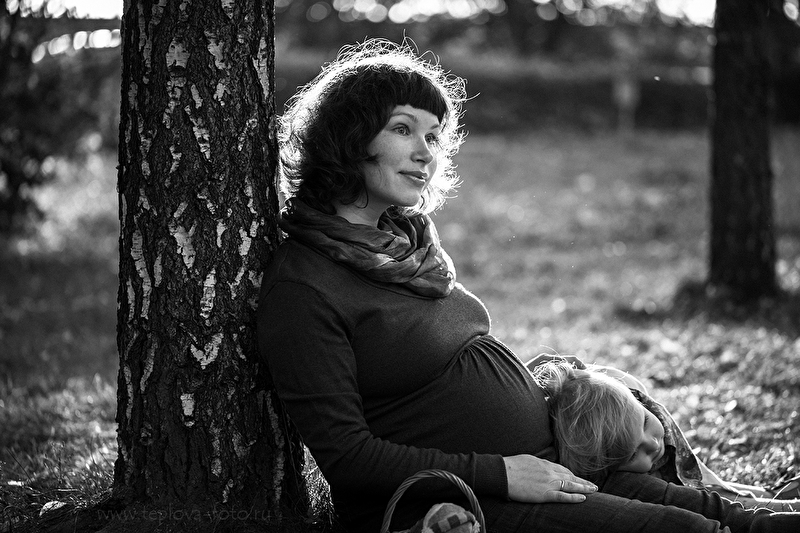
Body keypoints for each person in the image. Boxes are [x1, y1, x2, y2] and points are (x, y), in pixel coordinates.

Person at [257, 38, 800, 533]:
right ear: (350, 137)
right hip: (464, 496)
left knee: (728, 518)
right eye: (403, 129)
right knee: (687, 530)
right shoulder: (306, 287)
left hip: (548, 461)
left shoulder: (408, 246)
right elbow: (348, 458)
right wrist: (501, 473)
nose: (426, 152)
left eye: (433, 135)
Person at [533, 360, 800, 512]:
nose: (652, 444)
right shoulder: (629, 485)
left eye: (645, 421)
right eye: (634, 453)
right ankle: (772, 504)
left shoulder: (643, 408)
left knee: (697, 479)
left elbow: (696, 477)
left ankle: (764, 493)